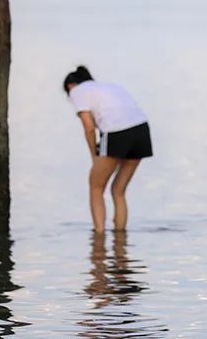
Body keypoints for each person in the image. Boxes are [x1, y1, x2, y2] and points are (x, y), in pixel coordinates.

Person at [63, 66, 153, 234]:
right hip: (142, 130)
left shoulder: (77, 91)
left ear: (70, 85)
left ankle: (99, 237)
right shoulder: (109, 87)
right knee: (118, 190)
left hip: (117, 132)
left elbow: (89, 128)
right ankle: (120, 239)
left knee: (95, 186)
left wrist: (94, 156)